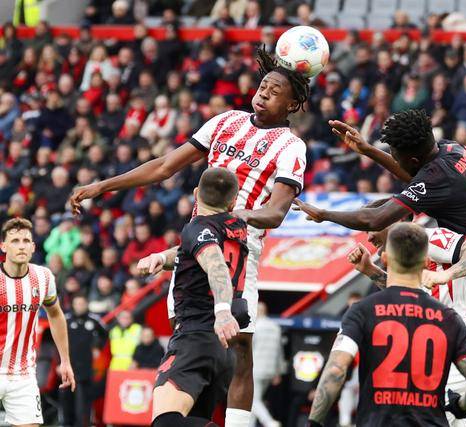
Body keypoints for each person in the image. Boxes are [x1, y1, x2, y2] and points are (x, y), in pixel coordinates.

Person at [71, 46, 310, 427]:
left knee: (240, 349)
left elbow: (276, 212)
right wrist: (103, 185)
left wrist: (229, 218)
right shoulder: (226, 121)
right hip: (194, 244)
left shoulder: (291, 146)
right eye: (263, 85)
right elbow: (165, 166)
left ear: (293, 104)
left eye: (275, 91)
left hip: (238, 250)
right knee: (191, 340)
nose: (264, 93)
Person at [295, 109, 466, 362]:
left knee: (461, 369)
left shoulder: (430, 236)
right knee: (454, 370)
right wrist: (368, 150)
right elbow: (416, 178)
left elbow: (375, 219)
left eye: (397, 157)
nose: (395, 161)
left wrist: (324, 214)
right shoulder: (451, 149)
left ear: (415, 159)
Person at [306, 223, 466, 426]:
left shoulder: (361, 311)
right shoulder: (449, 319)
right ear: (426, 262)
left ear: (384, 259)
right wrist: (460, 407)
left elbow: (336, 369)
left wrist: (313, 423)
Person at [152, 168, 250, 427]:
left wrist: (222, 311)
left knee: (166, 423)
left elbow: (215, 263)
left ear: (196, 194)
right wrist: (161, 257)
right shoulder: (237, 227)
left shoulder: (197, 227)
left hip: (194, 339)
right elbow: (195, 249)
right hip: (221, 349)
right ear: (232, 202)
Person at [0, 218, 76, 426]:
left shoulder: (43, 277)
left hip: (23, 374)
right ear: (3, 246)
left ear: (33, 247)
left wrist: (65, 360)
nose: (21, 246)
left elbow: (56, 314)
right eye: (15, 241)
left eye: (26, 241)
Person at [62, 294, 107, 427]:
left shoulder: (94, 320)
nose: (79, 306)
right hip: (69, 364)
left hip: (87, 366)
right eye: (77, 304)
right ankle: (66, 423)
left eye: (82, 304)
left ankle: (82, 424)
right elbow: (56, 339)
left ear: (86, 304)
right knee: (66, 397)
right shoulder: (66, 319)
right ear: (73, 305)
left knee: (83, 399)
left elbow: (105, 334)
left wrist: (97, 346)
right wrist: (60, 362)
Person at [251, 302, 284, 427]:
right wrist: (278, 372)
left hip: (256, 368)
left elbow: (249, 349)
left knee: (253, 400)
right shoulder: (275, 327)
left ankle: (269, 422)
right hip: (270, 370)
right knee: (256, 399)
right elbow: (279, 351)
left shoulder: (255, 326)